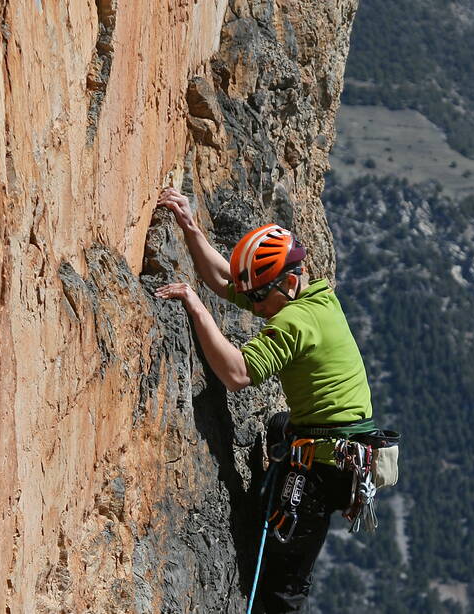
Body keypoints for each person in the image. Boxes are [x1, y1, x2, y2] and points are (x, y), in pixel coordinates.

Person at [154, 187, 377, 613]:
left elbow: (237, 375)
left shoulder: (295, 320)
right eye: (254, 296)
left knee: (283, 584)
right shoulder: (308, 295)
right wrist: (190, 228)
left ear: (288, 282)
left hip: (325, 465)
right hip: (333, 448)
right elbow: (225, 280)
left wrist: (195, 308)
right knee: (278, 426)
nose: (255, 303)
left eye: (260, 296)